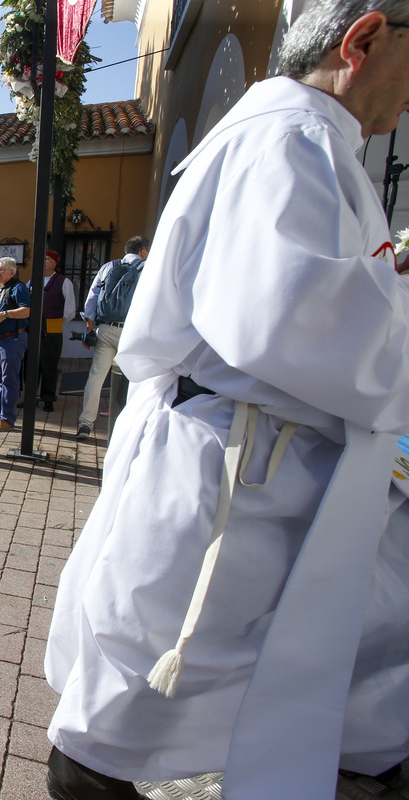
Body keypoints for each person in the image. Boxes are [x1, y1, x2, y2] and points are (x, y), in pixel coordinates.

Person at [44, 4, 409, 800]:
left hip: (272, 465)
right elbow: (293, 317)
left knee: (325, 682)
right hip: (241, 475)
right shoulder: (290, 140)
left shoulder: (312, 140)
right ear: (365, 39)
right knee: (140, 701)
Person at [75, 236, 150, 441]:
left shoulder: (108, 267)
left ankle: (85, 424)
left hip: (105, 329)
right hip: (131, 332)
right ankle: (126, 427)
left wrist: (89, 328)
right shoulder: (147, 268)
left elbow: (91, 297)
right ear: (143, 252)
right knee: (133, 378)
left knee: (96, 377)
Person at [0, 257, 31, 432]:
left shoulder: (19, 288)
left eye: (1, 269)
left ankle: (7, 418)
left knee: (9, 379)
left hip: (13, 339)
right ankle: (0, 413)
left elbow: (27, 310)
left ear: (12, 272)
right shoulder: (0, 289)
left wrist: (6, 314)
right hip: (0, 339)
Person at [29, 250, 75, 413]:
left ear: (55, 262)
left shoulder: (64, 282)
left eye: (47, 259)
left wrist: (56, 322)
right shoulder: (33, 281)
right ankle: (30, 397)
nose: (44, 262)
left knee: (49, 364)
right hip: (34, 327)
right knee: (32, 363)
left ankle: (48, 398)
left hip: (53, 327)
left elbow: (70, 309)